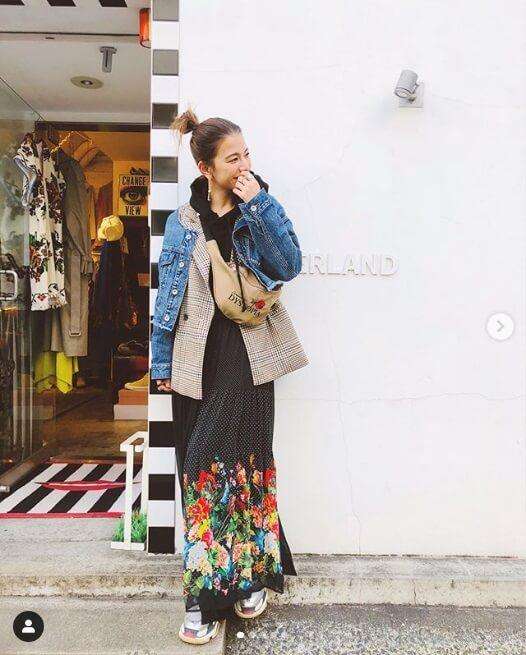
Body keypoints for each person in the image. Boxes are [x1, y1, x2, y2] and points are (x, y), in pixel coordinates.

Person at [151, 106, 309, 645]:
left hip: (247, 351)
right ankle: (226, 586)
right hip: (193, 358)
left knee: (234, 467)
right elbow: (167, 298)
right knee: (198, 472)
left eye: (247, 154)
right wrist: (160, 363)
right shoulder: (182, 221)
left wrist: (258, 205)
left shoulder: (259, 205)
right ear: (205, 167)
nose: (244, 165)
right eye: (232, 158)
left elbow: (288, 264)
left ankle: (216, 593)